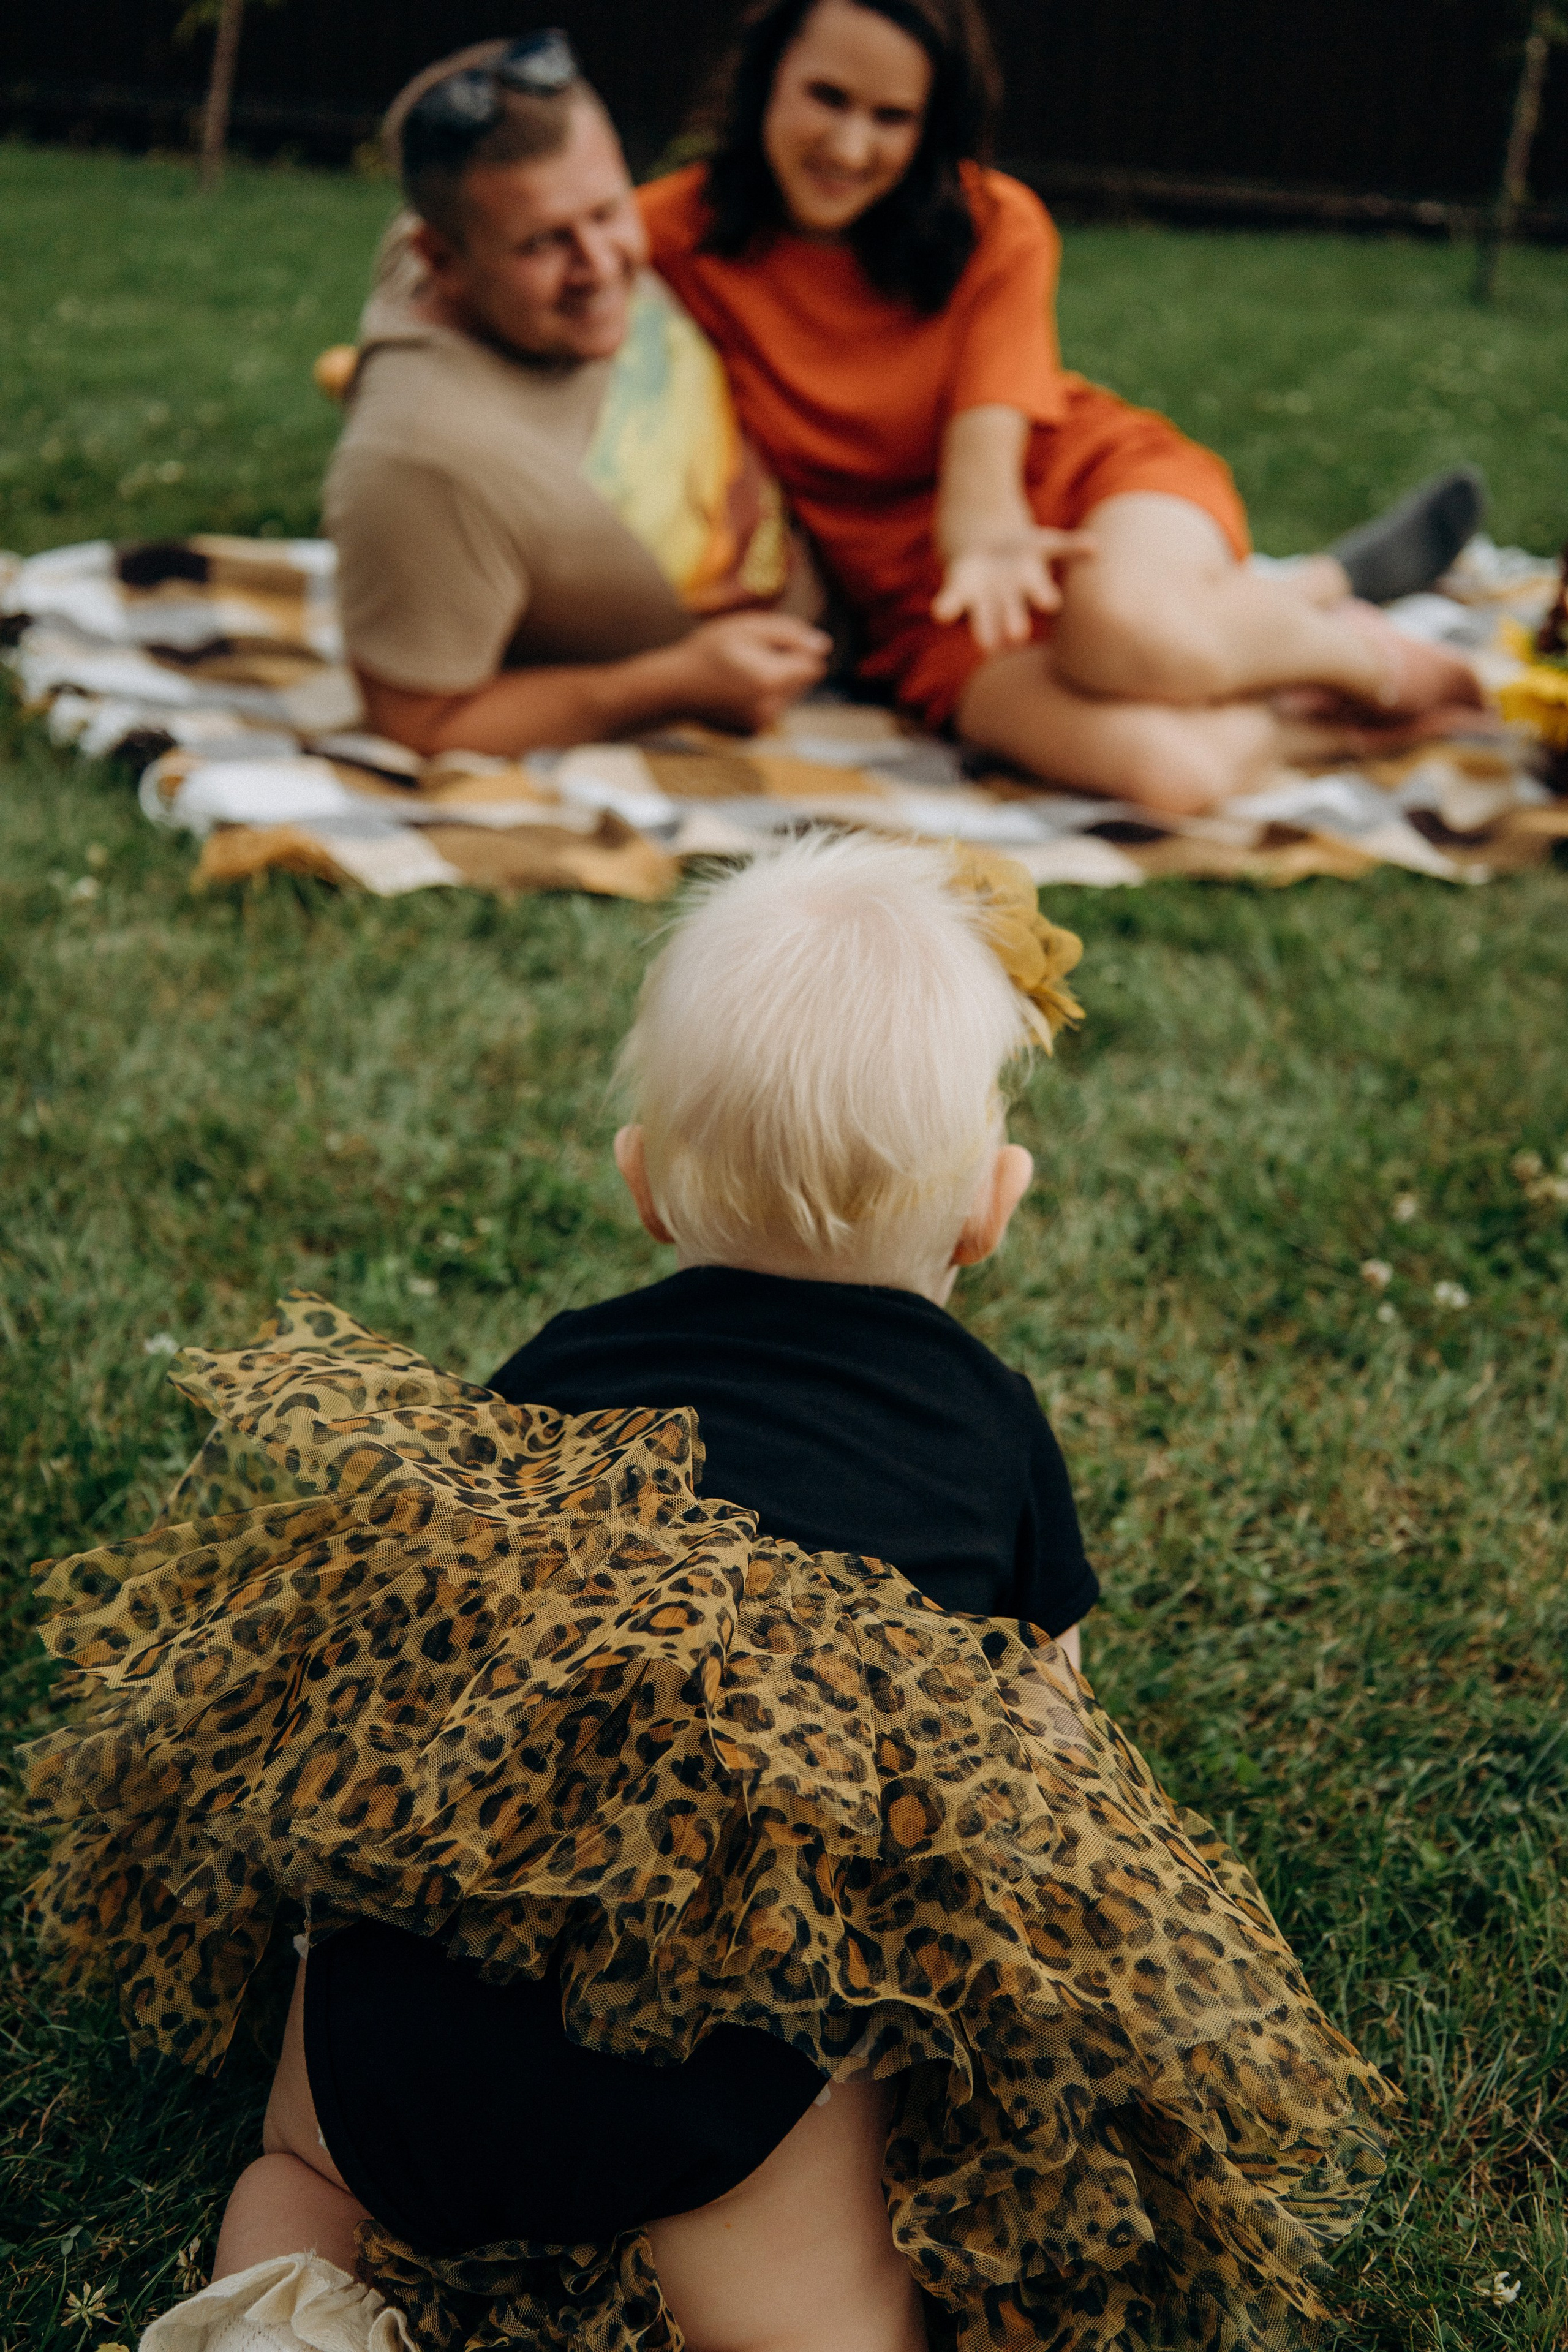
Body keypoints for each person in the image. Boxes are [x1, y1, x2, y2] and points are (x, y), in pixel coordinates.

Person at [26, 839, 1395, 2352]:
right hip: (723, 2092)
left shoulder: (559, 1371)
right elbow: (1045, 1787)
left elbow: (397, 1664)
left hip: (401, 2047)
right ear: (990, 1209)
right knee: (841, 2289)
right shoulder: (988, 1428)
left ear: (640, 1188)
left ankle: (287, 2303)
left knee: (298, 2168)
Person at [638, 0, 1489, 814]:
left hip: (1085, 492)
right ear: (766, 79)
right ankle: (1305, 671)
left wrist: (991, 542)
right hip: (922, 608)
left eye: (890, 116)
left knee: (1122, 633)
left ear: (930, 125)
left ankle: (1370, 661)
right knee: (1170, 774)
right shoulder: (675, 230)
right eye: (826, 97)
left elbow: (985, 480)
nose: (849, 146)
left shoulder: (995, 225)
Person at [323, 32, 831, 761]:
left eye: (607, 211)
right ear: (440, 260)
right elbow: (417, 723)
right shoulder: (419, 462)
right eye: (543, 244)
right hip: (828, 662)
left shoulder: (476, 228)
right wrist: (674, 685)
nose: (600, 266)